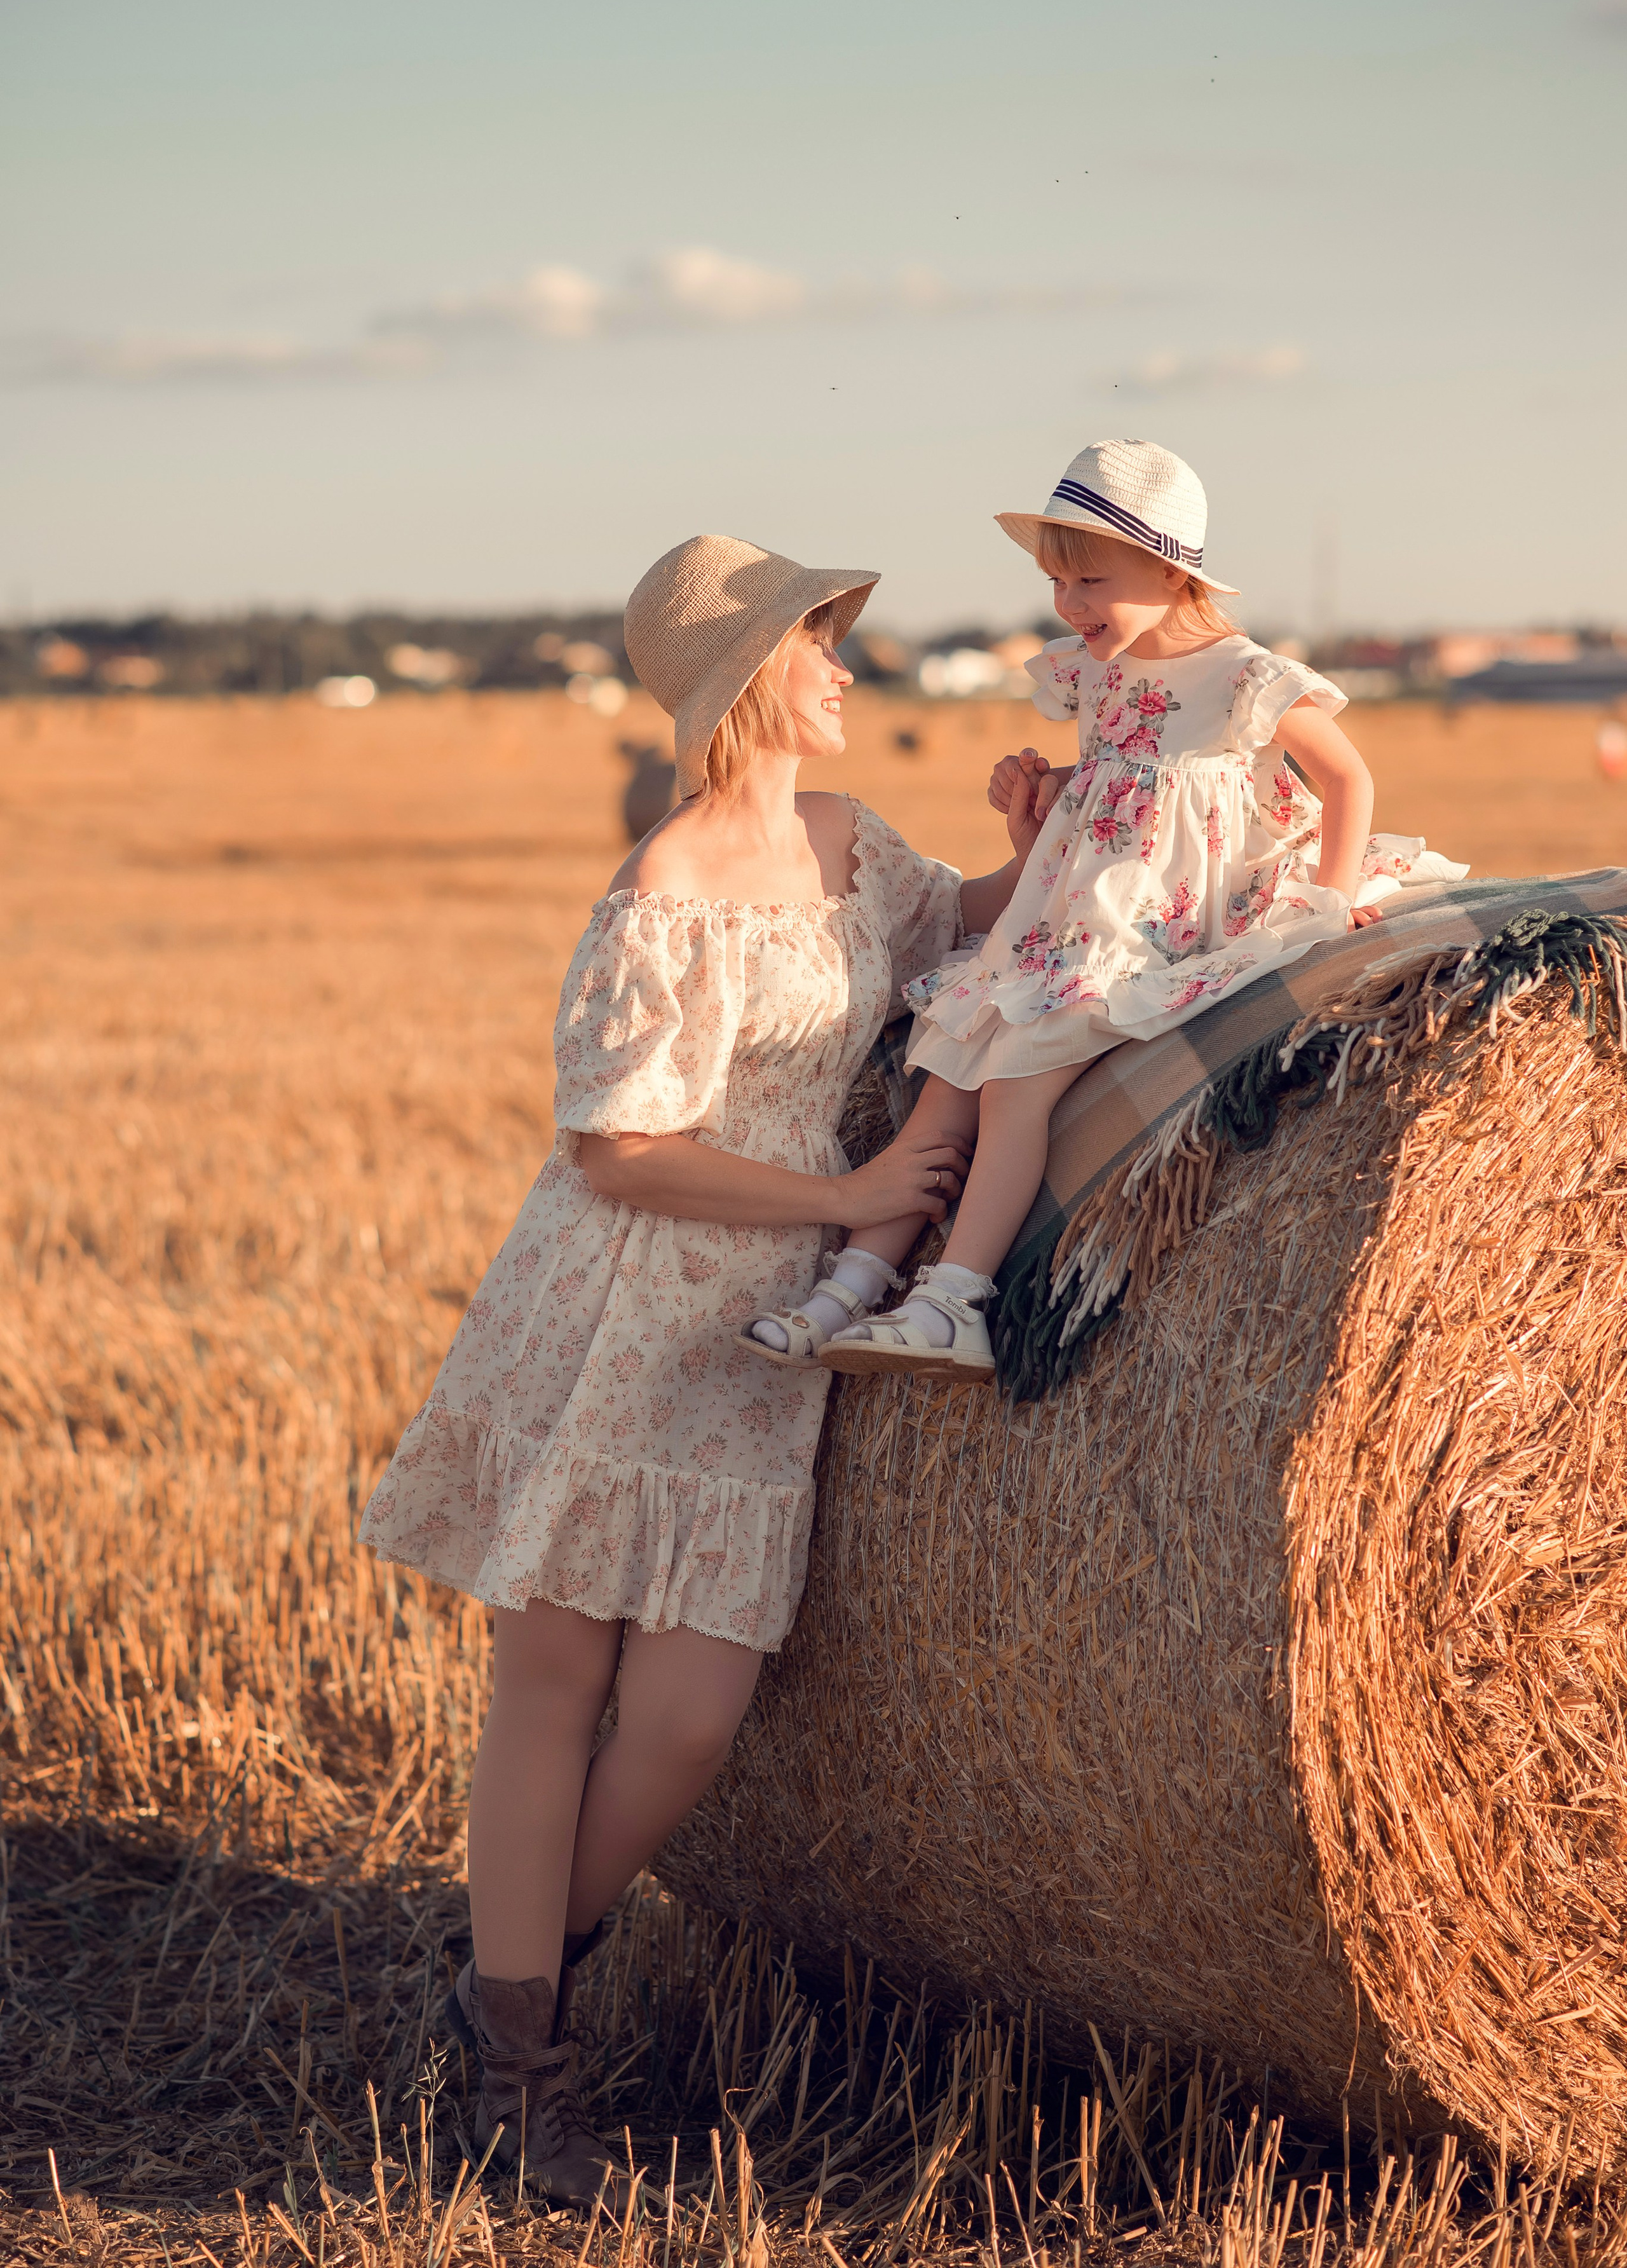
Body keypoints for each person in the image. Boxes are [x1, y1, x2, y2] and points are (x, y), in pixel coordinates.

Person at [358, 533, 1046, 2201]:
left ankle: (501, 1984)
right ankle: (526, 2071)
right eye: (822, 644)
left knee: (684, 1721)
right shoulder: (663, 889)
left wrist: (1059, 841)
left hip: (753, 1345)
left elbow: (965, 926)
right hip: (616, 1315)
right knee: (556, 1685)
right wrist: (851, 1198)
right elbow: (618, 1150)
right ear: (747, 679)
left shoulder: (847, 844)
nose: (847, 668)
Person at [812, 439, 1467, 1381]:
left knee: (1015, 1082)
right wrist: (1034, 796)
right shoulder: (1095, 672)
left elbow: (1347, 774)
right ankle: (851, 1286)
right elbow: (1122, 790)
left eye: (1089, 581)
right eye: (1056, 584)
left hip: (1180, 915)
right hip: (1087, 909)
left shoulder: (1243, 674)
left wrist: (1327, 902)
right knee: (949, 1058)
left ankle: (955, 1297)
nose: (1069, 606)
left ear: (1169, 571)